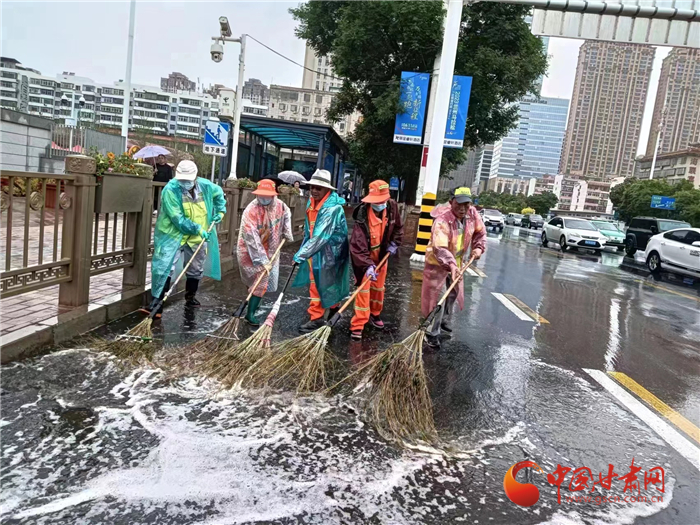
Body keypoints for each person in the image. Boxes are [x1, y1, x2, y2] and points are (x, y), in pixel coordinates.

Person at [144, 160, 227, 317]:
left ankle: (190, 297)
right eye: (182, 180)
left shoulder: (206, 186)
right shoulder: (170, 190)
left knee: (195, 268)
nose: (185, 183)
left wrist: (220, 211)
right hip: (173, 234)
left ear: (195, 177)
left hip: (197, 236)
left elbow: (219, 195)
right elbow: (177, 218)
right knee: (164, 266)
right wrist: (197, 229)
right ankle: (156, 302)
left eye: (188, 180)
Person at [421, 187, 485, 349]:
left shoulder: (472, 215)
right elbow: (440, 248)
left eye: (466, 204)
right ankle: (431, 332)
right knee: (438, 298)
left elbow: (480, 233)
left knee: (452, 293)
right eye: (459, 204)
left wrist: (478, 247)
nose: (463, 209)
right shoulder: (442, 220)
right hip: (438, 263)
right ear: (451, 202)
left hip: (457, 262)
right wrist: (450, 264)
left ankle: (444, 320)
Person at [292, 169, 350, 333]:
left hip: (332, 251)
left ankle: (321, 315)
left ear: (327, 190)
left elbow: (321, 236)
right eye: (312, 187)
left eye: (319, 188)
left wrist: (301, 255)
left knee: (326, 283)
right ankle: (321, 314)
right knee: (317, 283)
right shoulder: (311, 203)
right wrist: (303, 248)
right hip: (317, 251)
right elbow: (309, 232)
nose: (315, 191)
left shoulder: (332, 209)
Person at [348, 179, 404, 340]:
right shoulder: (362, 216)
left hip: (382, 255)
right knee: (363, 290)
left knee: (379, 289)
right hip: (364, 258)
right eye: (376, 201)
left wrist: (395, 243)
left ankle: (375, 314)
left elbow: (398, 227)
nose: (379, 204)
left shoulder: (392, 207)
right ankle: (358, 324)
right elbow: (357, 246)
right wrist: (367, 265)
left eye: (381, 201)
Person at [236, 179, 294, 326]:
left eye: (267, 195)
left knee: (262, 280)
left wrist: (287, 231)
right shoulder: (251, 210)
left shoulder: (280, 206)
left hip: (271, 248)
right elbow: (251, 237)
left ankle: (250, 312)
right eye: (261, 195)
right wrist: (261, 259)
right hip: (249, 250)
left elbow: (287, 215)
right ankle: (253, 304)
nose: (264, 198)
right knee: (253, 279)